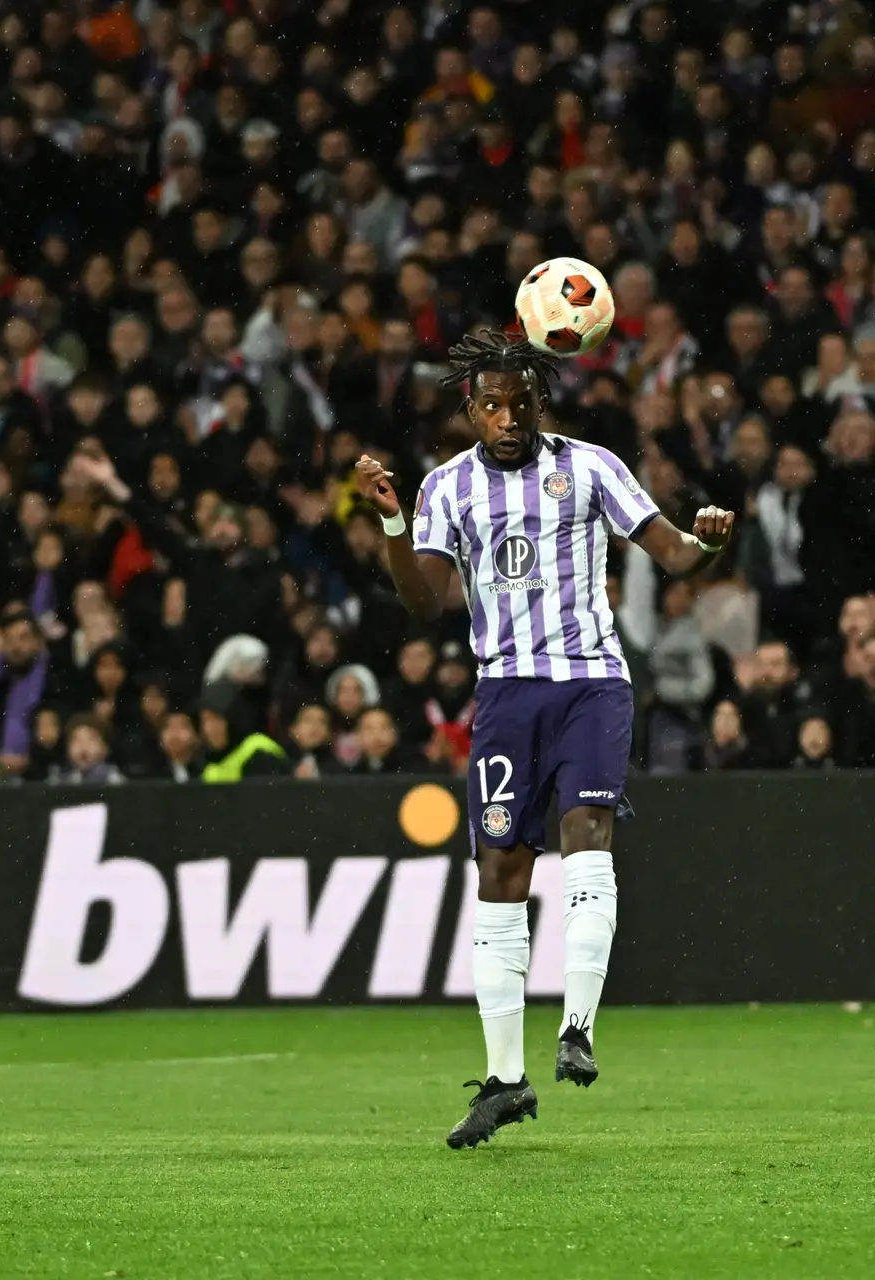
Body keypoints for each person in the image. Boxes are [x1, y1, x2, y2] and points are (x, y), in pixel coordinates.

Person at [353, 330, 736, 1150]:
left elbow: (670, 555)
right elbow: (424, 603)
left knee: (587, 839)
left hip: (591, 682)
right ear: (471, 410)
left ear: (540, 403)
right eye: (491, 405)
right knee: (499, 872)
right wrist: (392, 520)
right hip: (504, 697)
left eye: (521, 402)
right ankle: (504, 1081)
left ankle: (578, 1028)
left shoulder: (592, 466)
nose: (507, 417)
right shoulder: (448, 489)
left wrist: (706, 544)